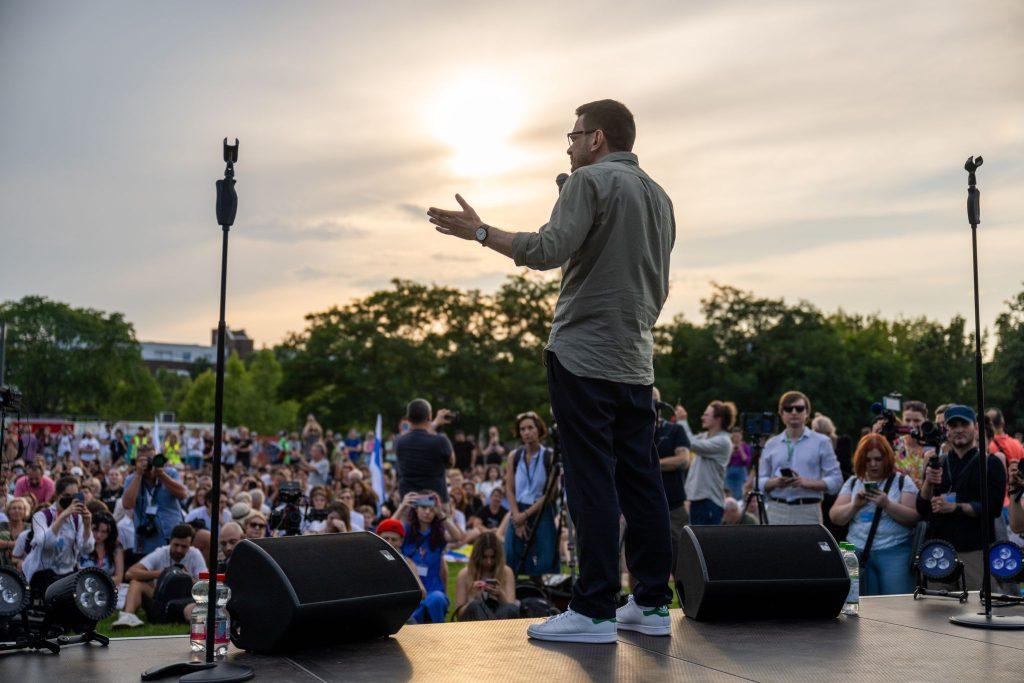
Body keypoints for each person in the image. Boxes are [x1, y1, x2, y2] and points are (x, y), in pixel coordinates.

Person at [428, 99, 675, 643]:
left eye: (574, 133)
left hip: (584, 355)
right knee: (641, 480)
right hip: (636, 359)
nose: (567, 143)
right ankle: (653, 604)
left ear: (598, 139)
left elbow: (547, 250)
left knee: (590, 478)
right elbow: (655, 280)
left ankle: (593, 610)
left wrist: (479, 231)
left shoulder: (589, 184)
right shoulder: (660, 196)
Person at [916, 405, 1006, 590]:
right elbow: (922, 510)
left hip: (974, 549)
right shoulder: (937, 463)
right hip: (940, 551)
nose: (958, 429)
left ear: (975, 427)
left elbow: (993, 508)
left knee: (977, 609)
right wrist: (927, 484)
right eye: (953, 425)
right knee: (936, 612)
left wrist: (956, 507)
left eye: (964, 424)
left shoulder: (991, 463)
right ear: (946, 430)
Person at [829, 434, 920, 595]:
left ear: (887, 458)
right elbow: (835, 517)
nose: (873, 464)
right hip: (856, 550)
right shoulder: (853, 482)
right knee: (858, 606)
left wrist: (887, 504)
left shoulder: (902, 481)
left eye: (878, 459)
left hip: (894, 550)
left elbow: (913, 518)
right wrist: (854, 505)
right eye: (868, 459)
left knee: (897, 605)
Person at [758, 391, 843, 525]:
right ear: (781, 414)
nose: (794, 412)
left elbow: (837, 480)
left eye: (799, 408)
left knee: (808, 547)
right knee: (774, 547)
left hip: (808, 509)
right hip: (776, 509)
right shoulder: (771, 443)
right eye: (788, 409)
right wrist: (775, 482)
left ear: (807, 413)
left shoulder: (822, 442)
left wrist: (807, 483)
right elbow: (759, 481)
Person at [112, 523, 207, 628]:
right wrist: (162, 573)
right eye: (176, 545)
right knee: (136, 583)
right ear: (170, 541)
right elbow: (130, 573)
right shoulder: (161, 552)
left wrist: (187, 577)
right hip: (160, 597)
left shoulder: (195, 554)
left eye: (184, 547)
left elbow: (206, 584)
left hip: (185, 598)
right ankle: (128, 617)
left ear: (191, 545)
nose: (179, 550)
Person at [393, 491, 463, 624]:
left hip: (433, 590)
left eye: (431, 509)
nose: (427, 512)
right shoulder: (406, 531)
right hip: (411, 590)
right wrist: (402, 507)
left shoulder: (438, 534)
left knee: (437, 599)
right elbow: (385, 532)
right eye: (423, 507)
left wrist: (441, 513)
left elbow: (458, 537)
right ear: (416, 509)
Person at [504, 412, 558, 578]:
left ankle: (542, 594)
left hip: (540, 510)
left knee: (544, 556)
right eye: (522, 429)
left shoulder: (549, 456)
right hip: (517, 508)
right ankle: (515, 591)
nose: (526, 432)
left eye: (530, 428)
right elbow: (510, 489)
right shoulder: (515, 456)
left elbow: (550, 494)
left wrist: (526, 515)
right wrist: (517, 516)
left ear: (538, 429)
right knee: (511, 553)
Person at [122, 444, 188, 555]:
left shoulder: (170, 473)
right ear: (136, 463)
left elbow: (183, 494)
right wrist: (138, 475)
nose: (147, 463)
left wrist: (161, 474)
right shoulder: (131, 479)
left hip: (173, 537)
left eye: (150, 459)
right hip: (147, 539)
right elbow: (127, 505)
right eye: (142, 460)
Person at [651, 387, 690, 573]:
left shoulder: (675, 430)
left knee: (679, 557)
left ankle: (685, 599)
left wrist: (649, 464)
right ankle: (636, 598)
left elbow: (683, 460)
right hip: (641, 505)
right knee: (640, 557)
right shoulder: (632, 432)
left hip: (673, 505)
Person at [678, 401, 735, 524]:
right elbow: (688, 440)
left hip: (709, 502)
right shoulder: (705, 436)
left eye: (706, 415)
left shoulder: (723, 441)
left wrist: (682, 421)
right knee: (695, 541)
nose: (702, 417)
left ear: (718, 419)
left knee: (704, 543)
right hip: (699, 500)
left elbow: (690, 443)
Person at [395, 399, 455, 503]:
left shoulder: (399, 441)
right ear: (429, 416)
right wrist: (434, 423)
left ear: (408, 418)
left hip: (410, 501)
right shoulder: (440, 440)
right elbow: (451, 463)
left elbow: (415, 434)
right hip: (436, 502)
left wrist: (434, 423)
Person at [455, 531, 518, 621]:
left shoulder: (506, 572)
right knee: (475, 605)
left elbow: (512, 609)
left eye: (492, 557)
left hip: (500, 619)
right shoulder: (464, 574)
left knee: (510, 608)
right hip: (475, 624)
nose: (489, 562)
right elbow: (459, 615)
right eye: (484, 557)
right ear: (477, 556)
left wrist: (500, 594)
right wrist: (473, 597)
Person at [80, 510, 125, 586]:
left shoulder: (116, 547)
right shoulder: (82, 542)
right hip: (82, 587)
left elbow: (118, 578)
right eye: (95, 530)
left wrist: (97, 584)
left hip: (107, 589)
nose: (98, 535)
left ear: (110, 532)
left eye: (104, 532)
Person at [725, 427, 751, 502]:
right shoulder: (728, 446)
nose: (736, 438)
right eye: (734, 436)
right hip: (730, 470)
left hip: (741, 470)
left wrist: (740, 449)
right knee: (728, 490)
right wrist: (731, 450)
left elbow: (746, 461)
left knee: (739, 491)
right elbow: (725, 461)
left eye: (737, 436)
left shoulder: (745, 446)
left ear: (741, 436)